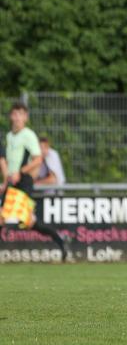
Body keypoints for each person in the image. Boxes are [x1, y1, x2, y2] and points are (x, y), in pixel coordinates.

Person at [1, 103, 69, 260]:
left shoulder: (29, 135)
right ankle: (60, 238)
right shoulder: (10, 136)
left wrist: (21, 171)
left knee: (8, 218)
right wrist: (6, 181)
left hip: (24, 182)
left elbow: (38, 159)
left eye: (20, 114)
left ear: (25, 117)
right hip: (12, 182)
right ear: (11, 116)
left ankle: (60, 239)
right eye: (15, 114)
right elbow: (10, 163)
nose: (17, 117)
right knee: (29, 222)